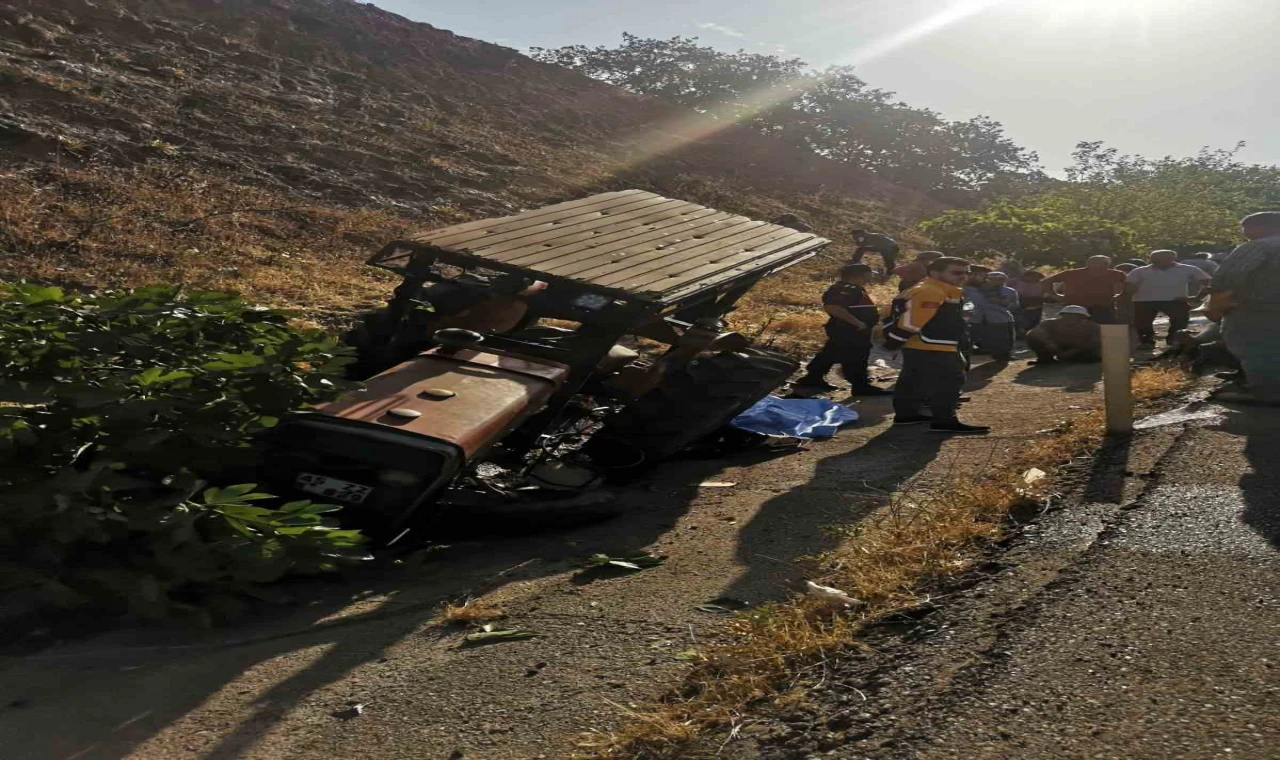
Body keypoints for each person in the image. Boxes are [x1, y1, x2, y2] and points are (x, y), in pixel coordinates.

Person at [883, 256, 989, 434]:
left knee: (913, 381)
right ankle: (944, 420)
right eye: (956, 272)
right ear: (935, 272)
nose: (963, 276)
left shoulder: (930, 288)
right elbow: (911, 322)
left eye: (966, 273)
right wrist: (894, 343)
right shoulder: (931, 291)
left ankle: (906, 415)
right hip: (933, 345)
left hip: (924, 344)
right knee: (949, 382)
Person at [1208, 211, 1280, 403]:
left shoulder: (1259, 246)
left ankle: (1266, 391)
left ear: (1258, 227)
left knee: (1257, 347)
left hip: (1258, 308)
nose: (1244, 232)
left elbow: (1228, 277)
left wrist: (1216, 305)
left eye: (1245, 228)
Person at [795, 263, 893, 396]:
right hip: (850, 330)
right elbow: (833, 307)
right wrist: (858, 323)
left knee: (831, 352)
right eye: (870, 273)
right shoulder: (846, 289)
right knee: (856, 357)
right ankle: (860, 386)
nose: (872, 275)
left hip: (848, 329)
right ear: (859, 274)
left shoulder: (853, 288)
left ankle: (812, 378)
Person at [1125, 249, 1211, 347]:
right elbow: (1129, 286)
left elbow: (1207, 282)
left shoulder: (1187, 269)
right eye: (1155, 259)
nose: (1158, 261)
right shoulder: (1140, 271)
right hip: (1144, 300)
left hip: (1175, 300)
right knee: (1142, 324)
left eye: (1162, 259)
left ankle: (1174, 342)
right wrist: (1126, 298)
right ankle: (1146, 342)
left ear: (1172, 258)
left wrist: (1196, 297)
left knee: (1180, 321)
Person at [1041, 255, 1127, 323]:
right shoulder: (1071, 273)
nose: (1102, 266)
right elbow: (1046, 282)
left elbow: (1129, 285)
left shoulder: (1116, 274)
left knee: (1106, 330)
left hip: (1103, 307)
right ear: (1088, 263)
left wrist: (1120, 295)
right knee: (1073, 329)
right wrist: (1053, 295)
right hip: (1074, 307)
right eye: (1095, 263)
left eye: (1104, 263)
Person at [965, 271, 1018, 362]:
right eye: (993, 279)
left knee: (1003, 339)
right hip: (975, 318)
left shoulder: (1009, 291)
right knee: (968, 339)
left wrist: (1004, 303)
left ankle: (1002, 357)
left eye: (1000, 279)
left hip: (1000, 318)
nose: (997, 281)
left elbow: (1015, 305)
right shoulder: (972, 289)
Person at [1024, 305, 1101, 364]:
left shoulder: (1092, 327)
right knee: (1033, 337)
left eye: (1075, 316)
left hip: (1080, 350)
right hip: (1056, 347)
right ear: (1062, 316)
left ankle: (1073, 358)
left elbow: (1095, 341)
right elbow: (1033, 334)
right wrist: (1050, 345)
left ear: (1083, 317)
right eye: (1068, 316)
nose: (1071, 318)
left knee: (1091, 357)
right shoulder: (1049, 323)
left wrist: (1073, 351)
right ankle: (1045, 359)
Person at [1010, 270, 1046, 335]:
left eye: (1037, 277)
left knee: (1034, 323)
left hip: (1037, 306)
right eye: (1033, 276)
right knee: (1021, 323)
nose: (1035, 278)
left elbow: (1045, 294)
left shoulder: (1042, 284)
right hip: (1021, 306)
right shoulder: (1016, 281)